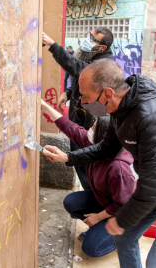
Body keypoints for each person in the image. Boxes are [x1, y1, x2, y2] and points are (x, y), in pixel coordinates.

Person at [43, 59, 156, 268]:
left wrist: (120, 219)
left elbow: (153, 185)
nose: (82, 103)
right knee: (123, 238)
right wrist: (68, 157)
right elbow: (105, 149)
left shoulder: (152, 116)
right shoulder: (120, 111)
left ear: (106, 94)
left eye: (85, 97)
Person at [41, 99, 136, 258]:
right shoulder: (96, 145)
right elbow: (69, 127)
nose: (89, 130)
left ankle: (123, 238)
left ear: (104, 137)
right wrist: (44, 105)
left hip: (125, 213)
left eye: (93, 127)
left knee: (91, 248)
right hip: (108, 201)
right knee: (71, 202)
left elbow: (124, 204)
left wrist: (98, 217)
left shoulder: (118, 168)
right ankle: (102, 227)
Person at [42, 28, 114, 190]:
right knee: (79, 157)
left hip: (90, 122)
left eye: (94, 40)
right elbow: (80, 80)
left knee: (85, 163)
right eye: (90, 36)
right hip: (79, 115)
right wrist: (68, 93)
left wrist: (53, 45)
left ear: (102, 48)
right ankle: (90, 193)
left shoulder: (104, 64)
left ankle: (92, 196)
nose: (89, 40)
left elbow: (79, 69)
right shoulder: (90, 55)